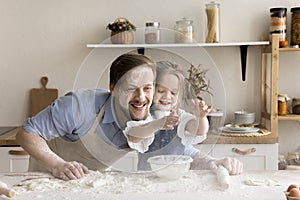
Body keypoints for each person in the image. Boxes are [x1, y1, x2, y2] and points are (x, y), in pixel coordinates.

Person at [16, 53, 242, 181]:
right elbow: (27, 133)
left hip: (86, 183)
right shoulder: (79, 105)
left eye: (148, 88)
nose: (141, 97)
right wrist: (57, 165)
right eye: (130, 88)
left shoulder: (151, 118)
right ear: (112, 88)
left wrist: (214, 163)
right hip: (46, 178)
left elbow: (182, 150)